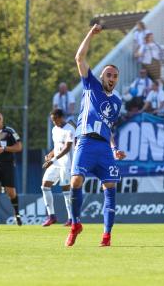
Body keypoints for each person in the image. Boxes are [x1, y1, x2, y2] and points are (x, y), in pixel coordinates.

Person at [66, 24, 126, 247]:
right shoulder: (91, 85)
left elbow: (108, 127)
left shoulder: (117, 102)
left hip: (104, 148)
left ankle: (106, 236)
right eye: (108, 74)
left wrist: (113, 148)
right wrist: (91, 33)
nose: (111, 78)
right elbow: (79, 57)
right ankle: (75, 224)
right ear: (102, 76)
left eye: (115, 76)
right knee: (75, 181)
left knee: (110, 188)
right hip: (85, 142)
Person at [41, 109, 75, 227]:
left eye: (55, 119)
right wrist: (50, 154)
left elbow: (67, 148)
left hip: (66, 163)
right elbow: (57, 147)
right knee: (45, 185)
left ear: (61, 117)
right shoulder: (54, 129)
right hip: (55, 162)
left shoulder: (70, 129)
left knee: (66, 190)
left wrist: (53, 160)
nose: (54, 122)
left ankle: (71, 218)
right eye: (52, 120)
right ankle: (51, 216)